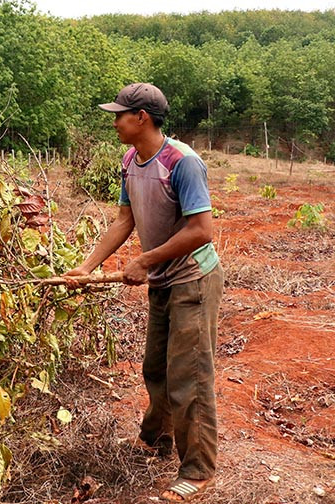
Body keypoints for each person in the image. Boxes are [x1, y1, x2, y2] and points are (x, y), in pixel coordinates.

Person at [63, 83, 223, 502]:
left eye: (120, 114)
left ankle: (198, 470)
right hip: (163, 281)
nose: (114, 122)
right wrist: (86, 267)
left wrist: (146, 260)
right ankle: (156, 439)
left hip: (194, 280)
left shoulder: (182, 163)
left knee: (189, 375)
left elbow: (202, 230)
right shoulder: (131, 159)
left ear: (142, 118)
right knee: (156, 368)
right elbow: (123, 220)